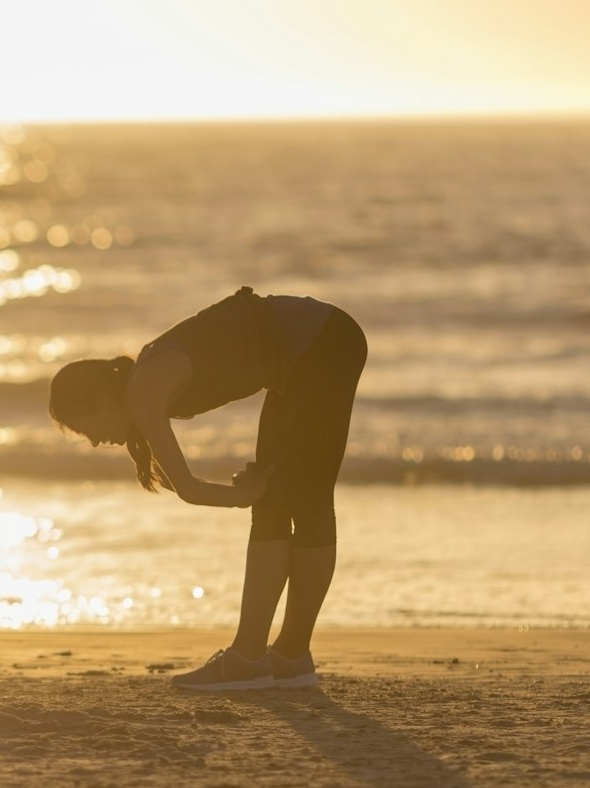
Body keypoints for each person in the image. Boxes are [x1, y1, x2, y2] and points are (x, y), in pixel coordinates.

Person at [48, 287, 366, 691]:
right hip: (303, 357)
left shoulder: (143, 393)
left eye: (84, 427)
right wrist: (247, 495)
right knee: (282, 503)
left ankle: (257, 658)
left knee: (307, 501)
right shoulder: (142, 383)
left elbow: (189, 489)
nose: (93, 441)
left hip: (323, 344)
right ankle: (284, 657)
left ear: (100, 402)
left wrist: (241, 496)